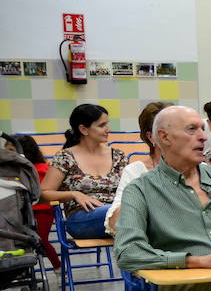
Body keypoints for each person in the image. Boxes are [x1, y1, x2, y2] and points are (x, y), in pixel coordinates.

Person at [114, 103, 211, 291]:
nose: (203, 137)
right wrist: (195, 261)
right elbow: (127, 253)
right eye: (192, 129)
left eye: (202, 129)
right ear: (164, 137)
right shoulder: (141, 189)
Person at [39, 103, 129, 239]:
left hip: (118, 213)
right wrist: (74, 194)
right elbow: (42, 195)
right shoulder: (65, 157)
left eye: (107, 124)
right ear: (83, 129)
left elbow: (131, 187)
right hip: (81, 218)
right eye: (101, 125)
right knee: (127, 213)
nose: (108, 129)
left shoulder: (117, 156)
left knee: (135, 211)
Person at [105, 100, 171, 236]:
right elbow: (115, 221)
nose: (200, 137)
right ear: (153, 137)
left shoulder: (203, 170)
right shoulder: (135, 172)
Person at [8, 134, 60, 269]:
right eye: (5, 150)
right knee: (18, 242)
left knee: (41, 240)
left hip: (41, 211)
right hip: (18, 211)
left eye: (11, 150)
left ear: (24, 152)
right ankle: (21, 271)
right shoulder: (9, 171)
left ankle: (58, 268)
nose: (7, 154)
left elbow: (42, 194)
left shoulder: (41, 169)